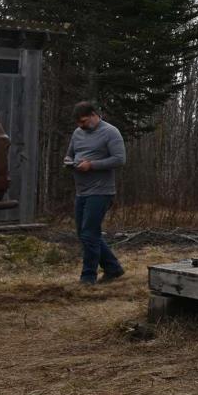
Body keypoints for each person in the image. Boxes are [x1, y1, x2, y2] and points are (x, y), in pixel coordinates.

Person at [65, 100, 127, 285]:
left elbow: (119, 159)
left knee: (89, 234)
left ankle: (88, 277)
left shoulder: (110, 132)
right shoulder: (78, 133)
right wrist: (69, 162)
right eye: (78, 123)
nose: (81, 125)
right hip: (81, 191)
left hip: (101, 191)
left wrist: (92, 165)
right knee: (83, 233)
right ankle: (113, 268)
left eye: (84, 121)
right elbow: (70, 153)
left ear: (94, 115)